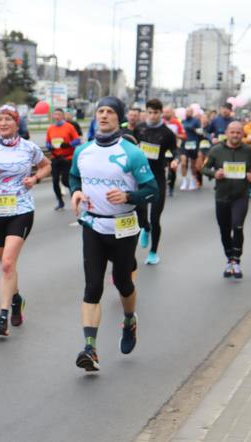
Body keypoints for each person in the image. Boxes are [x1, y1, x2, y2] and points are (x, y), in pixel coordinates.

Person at [70, 96, 159, 371]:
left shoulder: (132, 153)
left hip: (122, 226)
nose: (104, 115)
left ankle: (130, 320)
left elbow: (153, 189)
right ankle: (90, 349)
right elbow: (74, 176)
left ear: (118, 117)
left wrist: (128, 195)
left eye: (109, 111)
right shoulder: (82, 151)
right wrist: (75, 191)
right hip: (93, 225)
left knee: (123, 281)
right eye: (100, 111)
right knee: (93, 286)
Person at [0, 104, 51, 337]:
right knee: (7, 267)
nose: (3, 123)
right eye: (0, 119)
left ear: (17, 123)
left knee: (7, 264)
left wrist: (34, 178)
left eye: (8, 119)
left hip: (21, 210)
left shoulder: (29, 147)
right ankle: (16, 300)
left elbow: (47, 165)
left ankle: (2, 316)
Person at [202, 121, 251, 279]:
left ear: (243, 134)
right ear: (227, 133)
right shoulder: (216, 150)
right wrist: (214, 174)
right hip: (222, 196)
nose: (235, 135)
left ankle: (236, 261)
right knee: (224, 230)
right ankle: (229, 258)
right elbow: (204, 168)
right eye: (232, 132)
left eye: (238, 132)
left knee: (237, 226)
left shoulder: (249, 151)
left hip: (240, 196)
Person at [133, 98, 178, 265]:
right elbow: (131, 146)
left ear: (161, 113)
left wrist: (175, 160)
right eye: (150, 112)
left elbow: (174, 151)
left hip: (157, 176)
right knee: (141, 214)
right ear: (146, 112)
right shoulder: (139, 129)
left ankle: (153, 252)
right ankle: (145, 228)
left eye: (156, 113)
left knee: (155, 216)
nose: (152, 116)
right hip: (140, 177)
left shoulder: (167, 133)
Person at [46, 107, 81, 210]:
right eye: (55, 115)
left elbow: (77, 140)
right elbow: (47, 142)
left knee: (66, 180)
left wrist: (68, 144)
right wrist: (50, 146)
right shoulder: (50, 128)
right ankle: (60, 202)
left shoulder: (69, 127)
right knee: (55, 180)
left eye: (59, 115)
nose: (57, 117)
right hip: (56, 157)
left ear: (63, 116)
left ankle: (74, 196)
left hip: (67, 158)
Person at [180, 106, 201, 191]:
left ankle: (192, 181)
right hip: (184, 144)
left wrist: (194, 129)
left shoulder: (196, 121)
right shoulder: (183, 121)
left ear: (192, 113)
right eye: (187, 111)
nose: (188, 113)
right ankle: (184, 180)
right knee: (183, 163)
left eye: (190, 112)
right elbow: (180, 131)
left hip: (193, 144)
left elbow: (200, 132)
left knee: (193, 165)